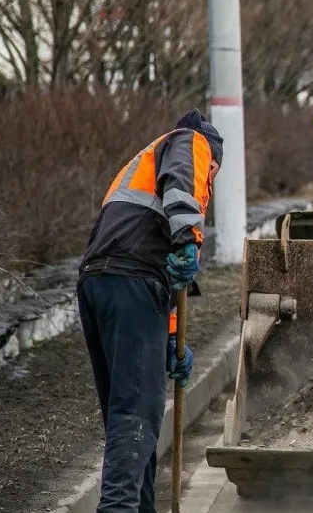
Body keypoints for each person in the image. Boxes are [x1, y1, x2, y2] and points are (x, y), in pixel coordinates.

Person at [76, 108, 223, 512]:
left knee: (127, 420)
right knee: (135, 419)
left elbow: (166, 279)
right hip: (132, 283)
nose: (209, 180)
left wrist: (172, 340)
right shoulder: (191, 141)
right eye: (212, 172)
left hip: (101, 285)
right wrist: (188, 238)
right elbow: (180, 192)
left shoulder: (142, 167)